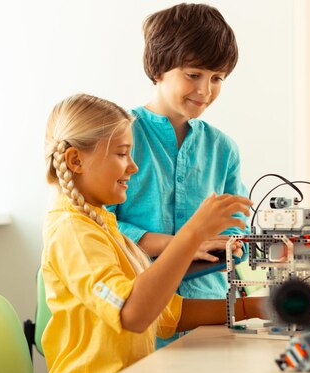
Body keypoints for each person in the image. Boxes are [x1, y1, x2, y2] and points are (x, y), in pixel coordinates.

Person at [36, 93, 265, 373]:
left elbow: (165, 313)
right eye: (121, 153)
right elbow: (133, 313)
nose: (133, 166)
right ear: (76, 161)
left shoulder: (102, 224)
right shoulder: (72, 231)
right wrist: (192, 234)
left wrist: (257, 307)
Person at [107, 3, 249, 348]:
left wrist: (231, 245)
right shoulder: (117, 136)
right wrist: (181, 245)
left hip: (211, 311)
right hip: (139, 312)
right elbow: (100, 227)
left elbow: (235, 230)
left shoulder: (223, 149)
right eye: (193, 75)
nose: (205, 90)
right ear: (158, 68)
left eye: (217, 78)